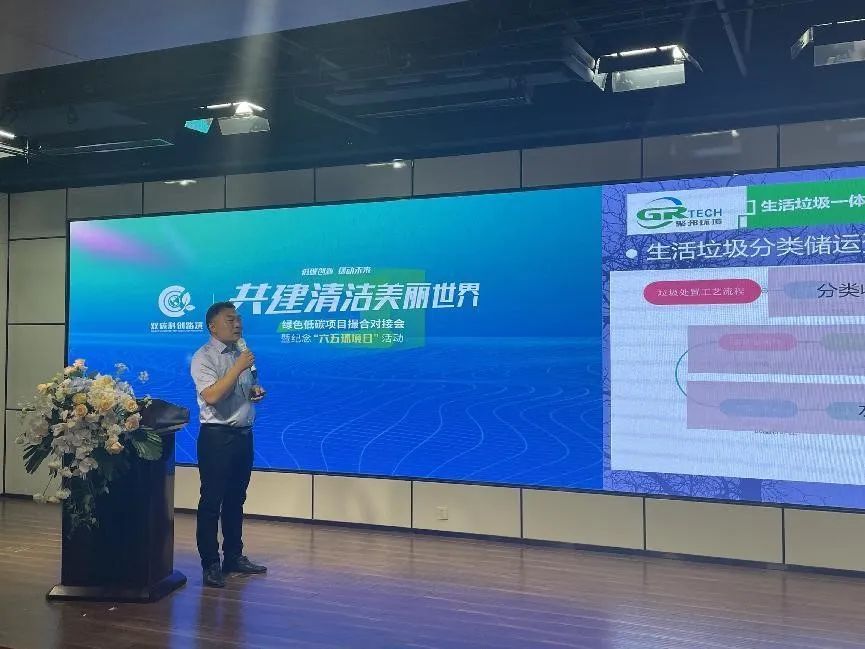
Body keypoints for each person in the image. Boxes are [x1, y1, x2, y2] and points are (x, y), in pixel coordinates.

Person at [190, 301, 268, 588]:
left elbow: (244, 388)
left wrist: (255, 391)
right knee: (212, 502)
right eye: (230, 319)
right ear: (213, 326)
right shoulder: (204, 357)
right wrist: (237, 368)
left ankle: (233, 556)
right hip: (217, 437)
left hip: (243, 435)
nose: (238, 324)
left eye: (239, 319)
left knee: (236, 499)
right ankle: (210, 563)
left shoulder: (241, 353)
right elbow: (212, 396)